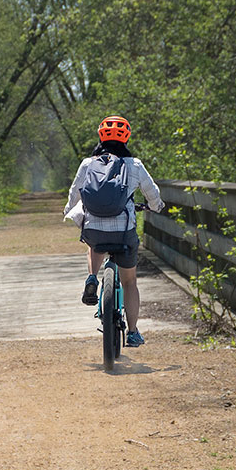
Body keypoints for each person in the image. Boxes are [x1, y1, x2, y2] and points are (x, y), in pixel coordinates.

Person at [63, 115, 163, 347]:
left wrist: (68, 210)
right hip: (124, 231)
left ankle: (92, 278)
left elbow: (74, 193)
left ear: (100, 136)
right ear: (126, 137)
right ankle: (134, 332)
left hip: (95, 230)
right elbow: (153, 194)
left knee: (92, 241)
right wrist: (156, 207)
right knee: (130, 282)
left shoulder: (88, 164)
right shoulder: (134, 165)